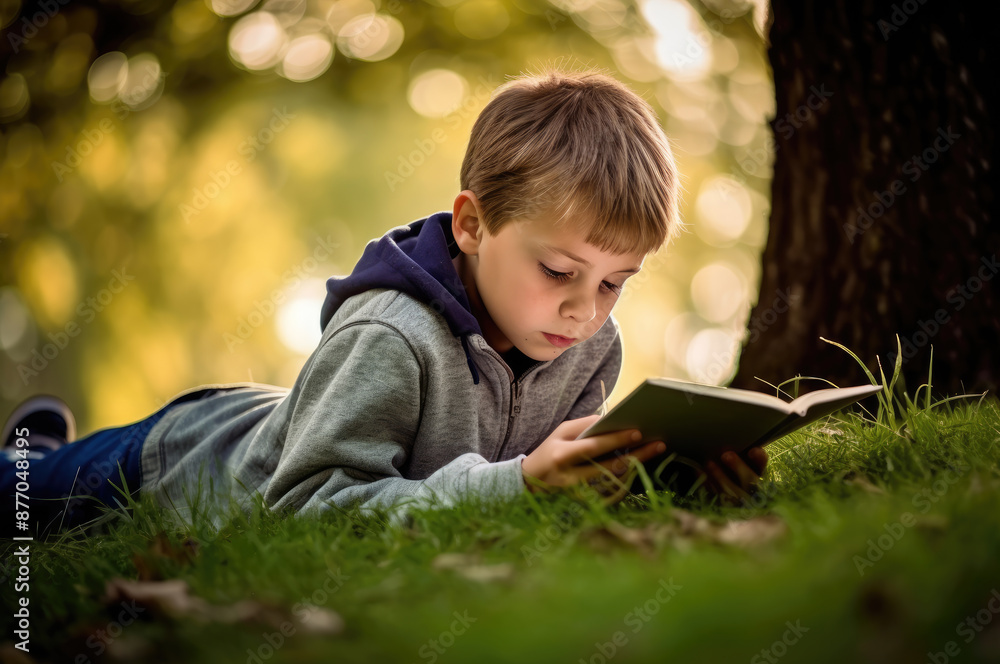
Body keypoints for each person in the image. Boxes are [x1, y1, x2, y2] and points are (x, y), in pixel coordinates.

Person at [1, 70, 768, 538]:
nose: (585, 311)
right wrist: (516, 482)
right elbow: (299, 508)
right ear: (471, 225)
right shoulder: (388, 337)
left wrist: (677, 481)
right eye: (560, 269)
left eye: (614, 282)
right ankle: (33, 459)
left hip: (291, 413)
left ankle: (38, 445)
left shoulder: (591, 350)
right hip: (182, 458)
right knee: (26, 501)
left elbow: (551, 500)